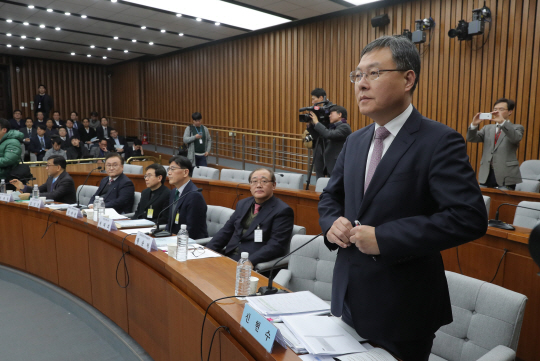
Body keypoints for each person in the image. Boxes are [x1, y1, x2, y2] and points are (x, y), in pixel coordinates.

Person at [317, 35, 488, 361]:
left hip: (404, 308)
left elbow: (468, 217)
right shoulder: (355, 141)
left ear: (408, 78)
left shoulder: (439, 141)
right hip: (348, 297)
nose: (361, 85)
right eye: (357, 75)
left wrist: (385, 237)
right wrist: (330, 223)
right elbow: (330, 197)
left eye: (373, 74)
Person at [206, 168, 294, 266]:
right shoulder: (243, 204)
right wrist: (207, 250)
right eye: (254, 181)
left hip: (253, 262)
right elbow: (227, 230)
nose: (259, 185)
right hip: (229, 255)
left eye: (264, 181)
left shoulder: (282, 210)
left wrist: (251, 261)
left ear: (274, 185)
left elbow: (276, 245)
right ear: (250, 186)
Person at [467, 98, 524, 189]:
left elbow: (515, 138)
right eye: (495, 109)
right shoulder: (487, 128)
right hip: (487, 173)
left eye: (501, 109)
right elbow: (471, 138)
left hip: (506, 174)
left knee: (504, 201)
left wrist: (502, 122)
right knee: (483, 200)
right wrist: (474, 125)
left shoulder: (517, 127)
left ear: (510, 112)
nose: (497, 112)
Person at [165, 155, 208, 238]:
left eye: (173, 169)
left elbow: (193, 231)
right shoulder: (174, 191)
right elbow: (170, 223)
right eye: (169, 169)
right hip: (172, 239)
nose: (169, 173)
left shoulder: (194, 196)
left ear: (185, 172)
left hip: (188, 244)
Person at [10, 155, 76, 203]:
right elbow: (39, 189)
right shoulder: (51, 178)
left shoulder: (66, 180)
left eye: (48, 165)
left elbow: (54, 195)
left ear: (58, 167)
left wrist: (30, 195)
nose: (46, 168)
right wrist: (23, 187)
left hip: (65, 211)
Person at [309, 105, 352, 176]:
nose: (329, 116)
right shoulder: (333, 127)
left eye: (331, 113)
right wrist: (310, 125)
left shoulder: (345, 127)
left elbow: (328, 134)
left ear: (339, 114)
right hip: (330, 164)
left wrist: (317, 122)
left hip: (337, 165)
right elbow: (319, 136)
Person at [306, 88, 334, 178]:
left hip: (330, 144)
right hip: (318, 144)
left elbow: (331, 129)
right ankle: (318, 191)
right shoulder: (314, 110)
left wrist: (318, 122)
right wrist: (310, 125)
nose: (312, 101)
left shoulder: (332, 109)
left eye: (314, 99)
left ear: (321, 98)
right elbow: (315, 135)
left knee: (330, 172)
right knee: (319, 171)